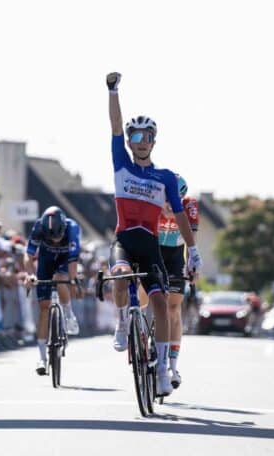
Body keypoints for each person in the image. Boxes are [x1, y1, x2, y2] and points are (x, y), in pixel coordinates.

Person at [106, 72, 202, 397]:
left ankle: (162, 370)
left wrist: (194, 250)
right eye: (135, 137)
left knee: (161, 305)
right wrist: (113, 92)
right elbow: (115, 126)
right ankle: (121, 323)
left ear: (154, 140)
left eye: (147, 136)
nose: (140, 141)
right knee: (119, 274)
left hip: (151, 246)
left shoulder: (166, 178)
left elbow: (179, 215)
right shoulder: (122, 165)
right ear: (130, 142)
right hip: (124, 241)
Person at [23, 206, 82, 375]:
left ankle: (69, 314)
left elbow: (72, 263)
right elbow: (28, 254)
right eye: (52, 238)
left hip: (65, 261)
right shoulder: (38, 227)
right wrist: (29, 275)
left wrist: (73, 282)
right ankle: (41, 357)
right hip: (46, 262)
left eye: (58, 236)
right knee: (44, 308)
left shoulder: (72, 228)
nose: (56, 240)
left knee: (60, 279)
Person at [157, 174, 198, 389]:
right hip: (153, 253)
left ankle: (172, 366)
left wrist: (193, 266)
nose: (170, 207)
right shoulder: (151, 203)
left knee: (173, 309)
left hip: (174, 255)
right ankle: (140, 335)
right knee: (148, 300)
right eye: (167, 201)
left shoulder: (190, 205)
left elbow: (192, 243)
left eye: (175, 203)